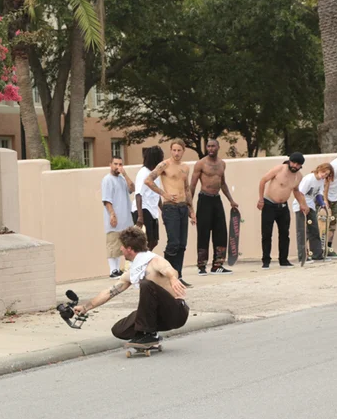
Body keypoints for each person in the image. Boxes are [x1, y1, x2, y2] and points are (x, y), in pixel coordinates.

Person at [73, 226, 189, 346]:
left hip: (176, 313)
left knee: (146, 284)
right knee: (119, 330)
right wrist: (85, 307)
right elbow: (109, 292)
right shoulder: (133, 271)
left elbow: (168, 269)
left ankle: (148, 335)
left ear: (129, 249)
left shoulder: (154, 261)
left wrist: (173, 278)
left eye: (122, 246)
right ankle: (151, 334)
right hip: (157, 315)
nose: (120, 249)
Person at [145, 139, 196, 287]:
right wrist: (164, 194)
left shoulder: (185, 167)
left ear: (183, 151)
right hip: (170, 207)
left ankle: (178, 275)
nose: (176, 153)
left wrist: (191, 210)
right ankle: (166, 275)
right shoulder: (164, 165)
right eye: (174, 150)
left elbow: (187, 189)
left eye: (179, 150)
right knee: (173, 243)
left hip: (182, 207)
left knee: (182, 244)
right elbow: (148, 180)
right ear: (170, 150)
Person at [189, 138, 239, 275]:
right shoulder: (201, 163)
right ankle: (202, 266)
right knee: (203, 232)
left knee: (221, 232)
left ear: (218, 147)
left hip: (217, 200)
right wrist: (190, 207)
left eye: (213, 146)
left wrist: (231, 200)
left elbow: (223, 184)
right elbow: (192, 185)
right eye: (209, 146)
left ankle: (217, 265)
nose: (211, 149)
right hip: (204, 199)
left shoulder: (222, 164)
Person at [257, 152, 309, 269]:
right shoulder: (279, 169)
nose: (295, 166)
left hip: (283, 207)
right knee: (267, 234)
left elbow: (296, 191)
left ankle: (283, 260)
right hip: (269, 204)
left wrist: (302, 204)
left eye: (298, 164)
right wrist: (261, 199)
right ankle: (266, 260)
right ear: (289, 161)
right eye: (293, 163)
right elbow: (263, 180)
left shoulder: (299, 176)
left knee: (285, 233)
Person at [102, 156, 135, 278]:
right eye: (115, 164)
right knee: (113, 244)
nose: (118, 167)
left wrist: (125, 174)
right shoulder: (107, 180)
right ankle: (113, 270)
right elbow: (106, 200)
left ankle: (121, 269)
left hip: (126, 218)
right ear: (110, 164)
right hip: (114, 218)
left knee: (125, 245)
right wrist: (112, 214)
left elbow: (132, 188)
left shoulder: (122, 179)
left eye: (120, 164)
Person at [293, 163, 334, 263]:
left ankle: (317, 254)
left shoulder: (321, 181)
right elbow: (300, 193)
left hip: (311, 206)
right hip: (300, 205)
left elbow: (318, 194)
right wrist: (303, 205)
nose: (324, 175)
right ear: (319, 169)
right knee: (302, 231)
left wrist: (322, 203)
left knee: (314, 230)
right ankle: (302, 256)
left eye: (326, 174)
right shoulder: (309, 178)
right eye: (323, 172)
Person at [132, 146, 165, 252]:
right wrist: (140, 216)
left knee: (154, 241)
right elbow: (138, 194)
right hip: (143, 210)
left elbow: (156, 194)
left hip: (152, 211)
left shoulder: (155, 174)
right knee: (146, 241)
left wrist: (163, 210)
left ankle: (145, 258)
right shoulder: (143, 173)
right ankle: (142, 260)